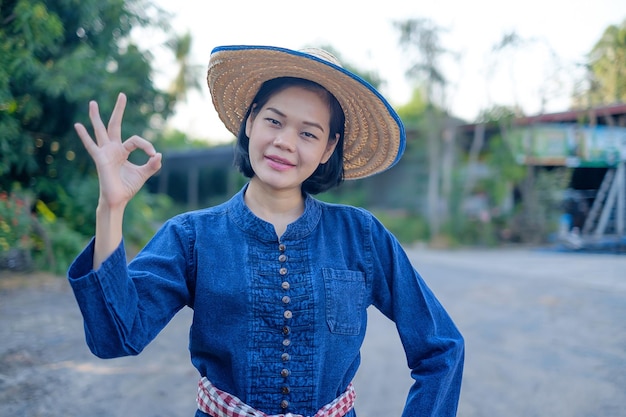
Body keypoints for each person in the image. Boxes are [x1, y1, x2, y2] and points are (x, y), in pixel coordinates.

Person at [68, 45, 464, 417]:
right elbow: (115, 337)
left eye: (308, 133)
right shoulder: (191, 236)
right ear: (251, 120)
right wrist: (111, 207)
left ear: (329, 147)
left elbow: (441, 348)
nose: (284, 142)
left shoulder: (361, 236)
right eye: (274, 121)